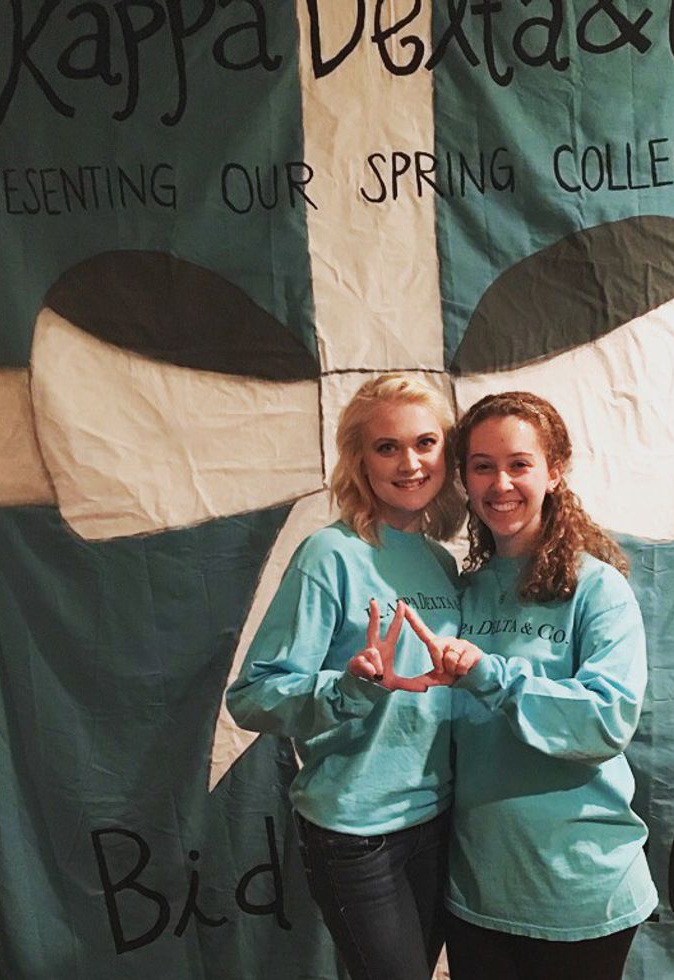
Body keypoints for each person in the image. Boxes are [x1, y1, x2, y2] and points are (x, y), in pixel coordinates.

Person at [406, 391, 657, 980]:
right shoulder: (461, 591)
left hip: (581, 893)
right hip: (478, 894)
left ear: (554, 470)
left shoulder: (598, 590)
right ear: (464, 479)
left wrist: (491, 676)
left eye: (519, 464)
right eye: (483, 466)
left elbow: (607, 720)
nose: (501, 484)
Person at [226, 374, 465, 980]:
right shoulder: (329, 555)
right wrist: (351, 688)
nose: (410, 463)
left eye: (426, 443)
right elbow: (252, 697)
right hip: (358, 834)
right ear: (360, 461)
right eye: (387, 447)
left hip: (438, 818)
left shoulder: (441, 562)